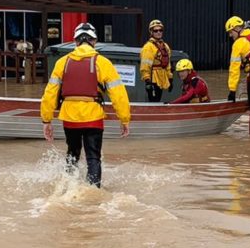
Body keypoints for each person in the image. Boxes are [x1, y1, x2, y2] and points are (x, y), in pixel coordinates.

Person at [41, 22, 131, 187]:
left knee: (72, 154)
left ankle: (68, 186)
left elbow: (50, 93)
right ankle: (93, 193)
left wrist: (46, 120)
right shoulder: (103, 63)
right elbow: (119, 94)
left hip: (69, 118)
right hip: (93, 117)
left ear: (75, 41)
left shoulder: (62, 62)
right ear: (94, 41)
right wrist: (124, 119)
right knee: (93, 158)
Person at [140, 19, 172, 102]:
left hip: (162, 77)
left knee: (158, 99)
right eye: (155, 30)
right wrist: (147, 81)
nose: (158, 32)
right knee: (153, 101)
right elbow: (145, 65)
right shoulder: (148, 47)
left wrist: (170, 78)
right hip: (153, 79)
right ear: (151, 32)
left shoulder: (165, 46)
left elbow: (167, 64)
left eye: (160, 30)